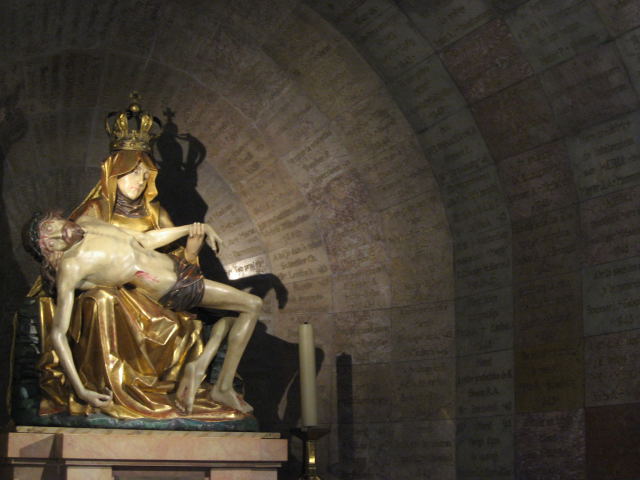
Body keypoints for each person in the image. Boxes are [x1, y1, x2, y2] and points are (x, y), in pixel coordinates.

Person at [24, 95, 248, 422]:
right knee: (102, 300)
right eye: (132, 173)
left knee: (235, 311)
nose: (140, 181)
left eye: (145, 175)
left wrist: (191, 244)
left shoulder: (140, 216)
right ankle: (113, 385)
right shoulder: (92, 216)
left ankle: (202, 372)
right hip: (124, 296)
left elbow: (150, 243)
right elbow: (60, 322)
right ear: (113, 175)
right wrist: (81, 390)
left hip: (169, 284)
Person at [25, 211, 262, 414]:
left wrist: (192, 228)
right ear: (52, 254)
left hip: (179, 266)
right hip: (173, 287)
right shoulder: (72, 266)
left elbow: (145, 240)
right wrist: (81, 390)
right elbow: (58, 333)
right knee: (252, 305)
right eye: (51, 243)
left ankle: (199, 366)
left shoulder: (89, 222)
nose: (60, 236)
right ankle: (222, 387)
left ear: (53, 218)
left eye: (51, 229)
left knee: (230, 320)